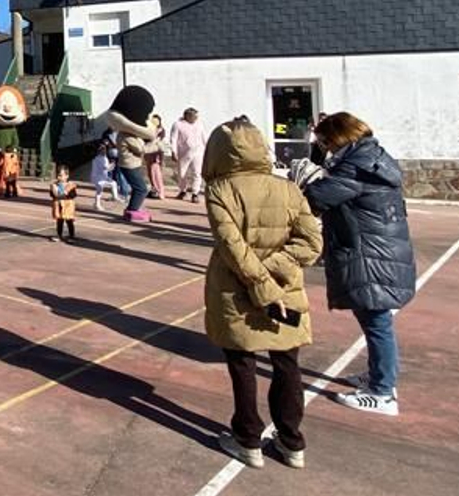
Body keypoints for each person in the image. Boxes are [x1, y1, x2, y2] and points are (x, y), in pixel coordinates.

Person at [202, 119, 321, 469]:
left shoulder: (220, 191)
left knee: (243, 364)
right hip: (286, 288)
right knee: (286, 364)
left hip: (236, 288)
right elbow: (311, 244)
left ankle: (248, 437)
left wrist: (261, 283)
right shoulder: (288, 189)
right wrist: (276, 272)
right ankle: (291, 440)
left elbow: (233, 248)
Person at [297, 111, 418, 417]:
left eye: (325, 142)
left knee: (377, 322)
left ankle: (382, 392)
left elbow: (317, 198)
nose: (325, 148)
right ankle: (380, 374)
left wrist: (302, 182)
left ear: (338, 138)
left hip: (371, 252)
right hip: (380, 248)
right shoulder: (371, 157)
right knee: (374, 321)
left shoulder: (356, 167)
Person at [170, 107, 207, 202]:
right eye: (193, 116)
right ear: (186, 116)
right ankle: (183, 191)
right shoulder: (178, 124)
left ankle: (195, 193)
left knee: (197, 173)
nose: (195, 118)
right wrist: (173, 151)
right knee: (182, 173)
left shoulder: (200, 124)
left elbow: (204, 138)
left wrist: (207, 150)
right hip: (183, 152)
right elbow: (173, 139)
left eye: (196, 116)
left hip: (198, 151)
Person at [115, 126, 149, 220]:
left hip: (132, 164)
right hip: (130, 165)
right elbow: (140, 149)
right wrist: (157, 145)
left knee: (137, 188)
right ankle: (132, 210)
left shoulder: (127, 134)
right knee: (141, 189)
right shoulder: (127, 136)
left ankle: (131, 209)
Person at [51, 163, 78, 242]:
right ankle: (59, 235)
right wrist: (55, 191)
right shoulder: (55, 185)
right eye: (58, 175)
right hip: (59, 205)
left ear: (67, 176)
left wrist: (66, 192)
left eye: (61, 175)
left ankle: (71, 236)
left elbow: (73, 195)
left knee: (69, 221)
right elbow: (53, 195)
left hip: (68, 205)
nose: (59, 177)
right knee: (59, 221)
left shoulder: (70, 185)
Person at [90, 138, 120, 211]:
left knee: (99, 190)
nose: (104, 151)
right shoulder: (103, 158)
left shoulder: (95, 158)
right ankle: (114, 197)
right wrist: (113, 164)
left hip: (97, 177)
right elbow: (106, 168)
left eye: (104, 149)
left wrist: (111, 166)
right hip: (100, 178)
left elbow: (104, 168)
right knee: (112, 184)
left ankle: (97, 204)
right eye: (103, 150)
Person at [146, 114, 168, 200]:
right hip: (148, 152)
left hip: (156, 152)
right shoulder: (148, 129)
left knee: (156, 172)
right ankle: (154, 189)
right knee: (150, 172)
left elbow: (158, 140)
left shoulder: (160, 130)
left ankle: (160, 191)